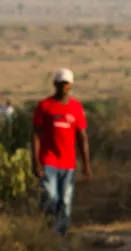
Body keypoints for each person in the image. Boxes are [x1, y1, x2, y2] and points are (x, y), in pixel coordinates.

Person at [32, 67, 92, 237]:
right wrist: (35, 161)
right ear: (54, 85)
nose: (63, 87)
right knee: (51, 197)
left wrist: (86, 165)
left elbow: (82, 137)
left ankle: (59, 237)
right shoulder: (44, 106)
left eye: (66, 84)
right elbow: (36, 135)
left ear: (70, 85)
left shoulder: (76, 108)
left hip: (68, 164)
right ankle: (46, 230)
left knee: (65, 202)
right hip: (48, 161)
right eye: (60, 84)